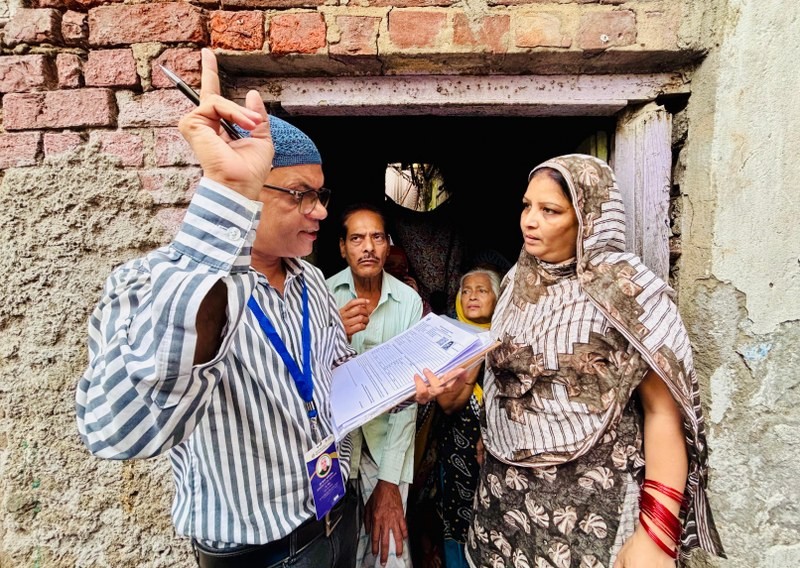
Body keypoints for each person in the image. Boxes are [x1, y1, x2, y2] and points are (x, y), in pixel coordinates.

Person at [76, 49, 362, 568]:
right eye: (300, 194)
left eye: (321, 194)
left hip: (338, 518)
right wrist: (228, 192)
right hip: (259, 554)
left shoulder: (313, 283)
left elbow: (328, 375)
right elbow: (117, 432)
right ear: (251, 190)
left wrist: (396, 383)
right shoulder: (149, 284)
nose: (321, 211)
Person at [418, 154, 725, 567]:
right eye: (527, 206)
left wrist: (656, 536)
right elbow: (506, 380)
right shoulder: (515, 284)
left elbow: (663, 414)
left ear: (589, 219)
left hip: (589, 508)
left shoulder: (626, 294)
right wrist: (490, 427)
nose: (530, 221)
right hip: (501, 505)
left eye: (550, 210)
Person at [326, 203, 423, 568]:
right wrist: (334, 334)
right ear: (342, 247)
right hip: (334, 451)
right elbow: (306, 378)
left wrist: (389, 482)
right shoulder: (322, 295)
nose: (368, 247)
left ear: (387, 244)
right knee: (335, 555)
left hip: (387, 450)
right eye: (356, 238)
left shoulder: (408, 301)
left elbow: (408, 396)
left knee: (389, 555)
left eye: (377, 237)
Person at [412, 268, 501, 568]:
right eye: (466, 291)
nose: (472, 296)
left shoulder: (507, 339)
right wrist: (476, 350)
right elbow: (449, 404)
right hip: (457, 458)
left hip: (498, 458)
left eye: (482, 290)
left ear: (497, 298)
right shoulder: (448, 338)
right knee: (457, 527)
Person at [384, 244, 433, 316]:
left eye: (402, 266)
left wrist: (414, 297)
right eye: (390, 265)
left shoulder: (413, 297)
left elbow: (426, 319)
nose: (397, 270)